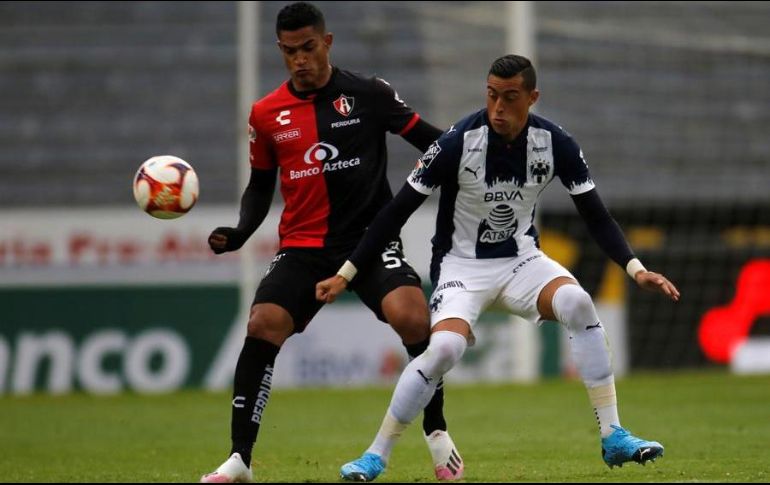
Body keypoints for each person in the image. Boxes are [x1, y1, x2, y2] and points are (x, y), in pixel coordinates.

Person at [316, 54, 681, 482]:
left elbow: (596, 216)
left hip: (522, 261)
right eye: (491, 96)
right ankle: (375, 455)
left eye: (510, 98)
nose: (498, 109)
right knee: (445, 351)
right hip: (462, 266)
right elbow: (395, 212)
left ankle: (614, 435)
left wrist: (635, 269)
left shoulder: (555, 143)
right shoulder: (456, 142)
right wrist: (348, 271)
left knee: (579, 303)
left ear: (532, 98)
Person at [199, 2, 464, 483]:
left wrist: (475, 159)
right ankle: (240, 459)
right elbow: (260, 187)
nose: (300, 59)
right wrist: (241, 231)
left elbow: (433, 142)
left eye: (308, 47)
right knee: (262, 324)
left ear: (327, 42)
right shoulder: (265, 114)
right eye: (288, 51)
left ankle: (438, 433)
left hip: (368, 240)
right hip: (302, 247)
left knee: (412, 317)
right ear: (279, 50)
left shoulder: (369, 94)